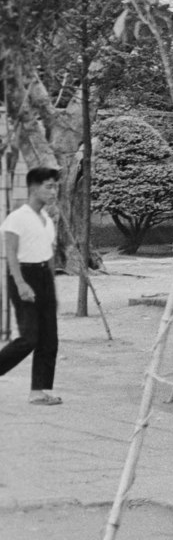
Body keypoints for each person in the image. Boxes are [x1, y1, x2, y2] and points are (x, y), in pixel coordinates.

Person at [1, 167, 62, 404]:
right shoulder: (17, 218)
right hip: (23, 276)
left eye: (55, 186)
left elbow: (48, 255)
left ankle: (39, 391)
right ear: (33, 188)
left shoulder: (46, 219)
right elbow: (11, 254)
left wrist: (51, 286)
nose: (53, 191)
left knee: (49, 338)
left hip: (44, 278)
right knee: (29, 338)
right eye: (48, 186)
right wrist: (20, 283)